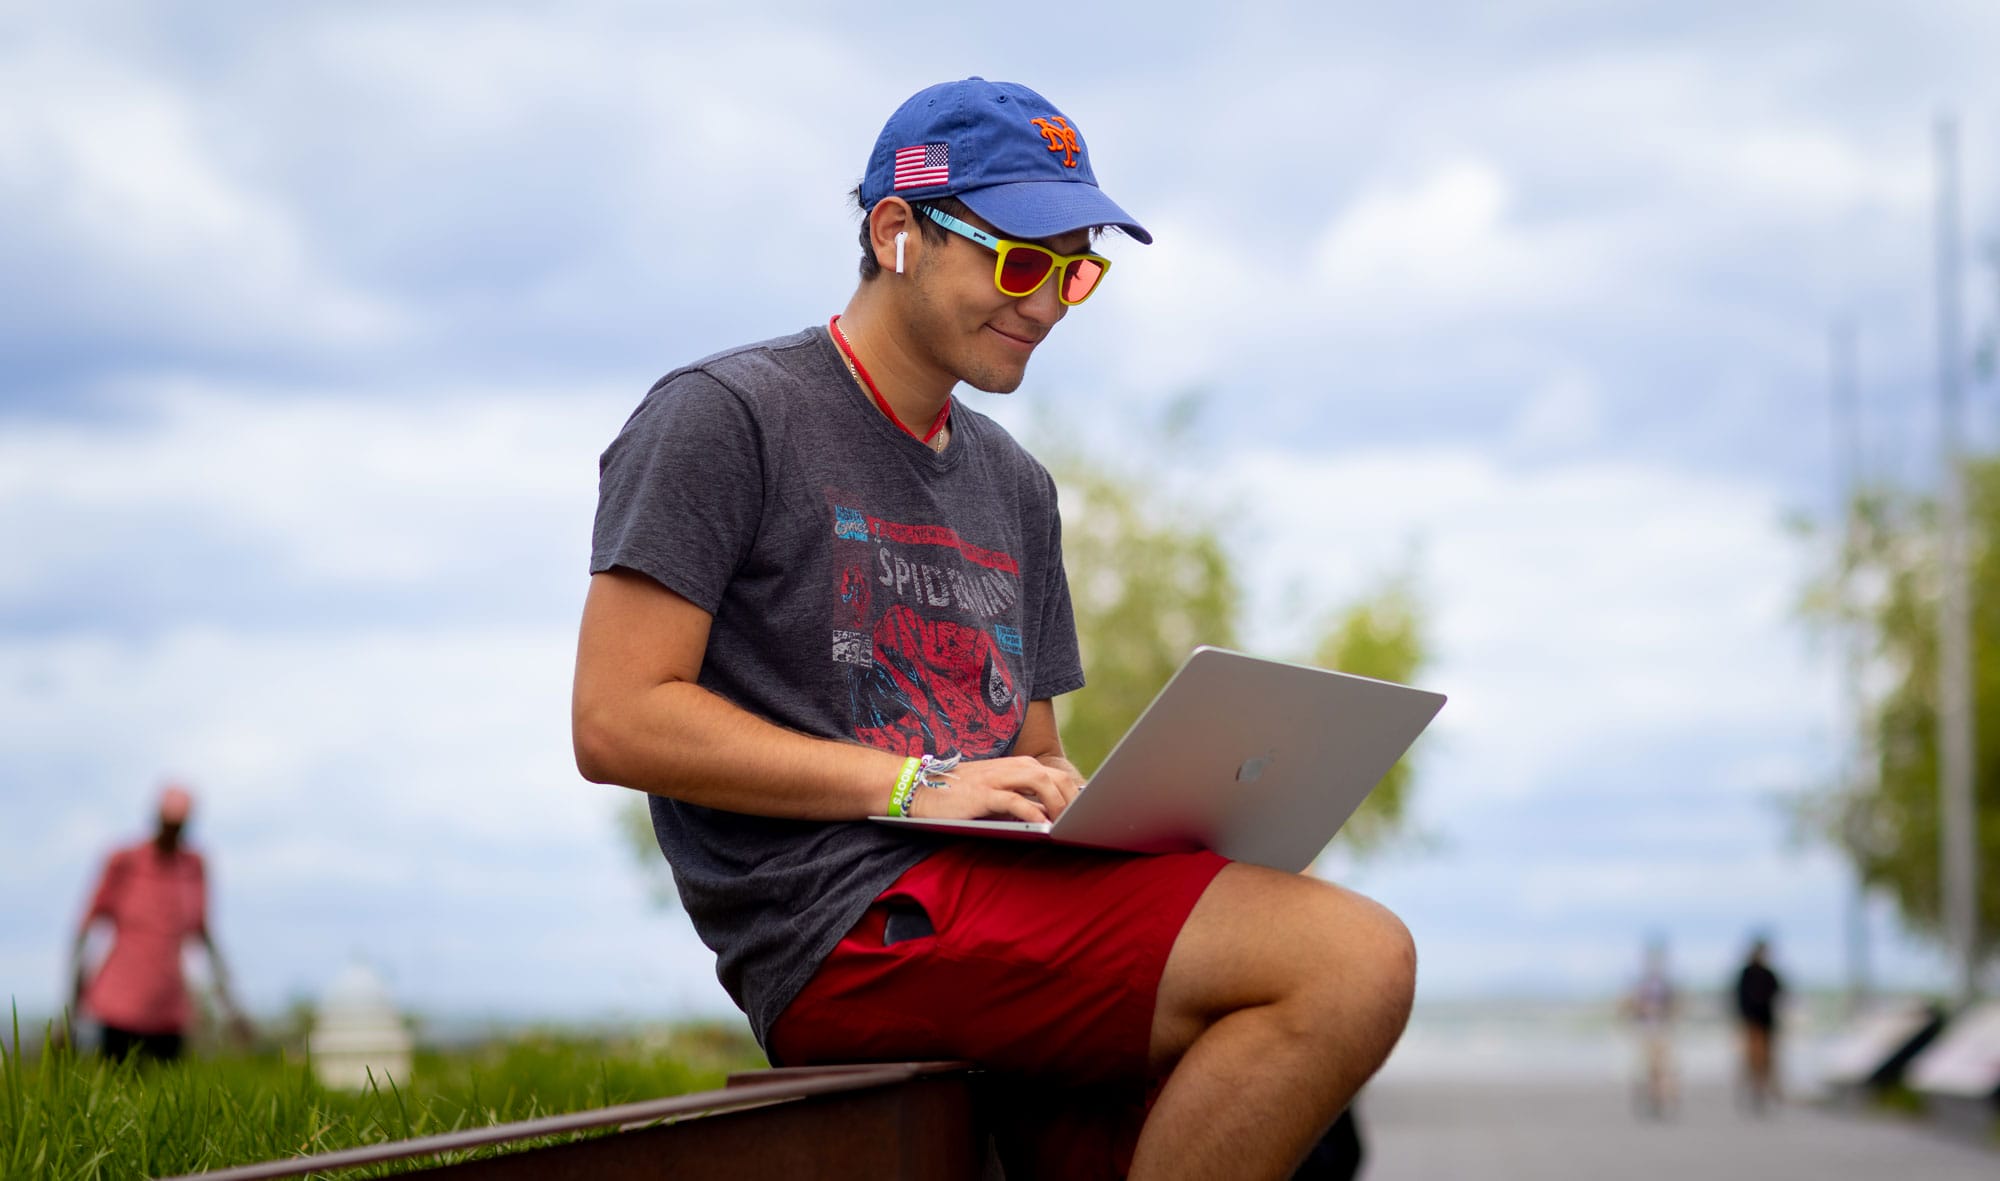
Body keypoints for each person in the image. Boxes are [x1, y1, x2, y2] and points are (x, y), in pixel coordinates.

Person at [572, 77, 1416, 1180]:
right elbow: (616, 719)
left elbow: (1027, 754)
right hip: (845, 924)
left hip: (995, 900)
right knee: (1349, 959)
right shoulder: (726, 416)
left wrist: (1109, 808)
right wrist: (912, 784)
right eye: (1020, 260)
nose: (1049, 301)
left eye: (1075, 270)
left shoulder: (1013, 486)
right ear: (897, 234)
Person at [70, 783, 247, 1062]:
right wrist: (71, 1007)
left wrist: (232, 1008)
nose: (172, 832)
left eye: (179, 825)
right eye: (168, 823)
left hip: (169, 1009)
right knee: (118, 1088)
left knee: (165, 1092)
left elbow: (205, 937)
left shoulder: (194, 867)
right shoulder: (124, 861)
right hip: (119, 1007)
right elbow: (84, 932)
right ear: (156, 819)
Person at [1620, 938, 1678, 1119]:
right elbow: (1630, 1006)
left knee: (1661, 1068)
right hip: (1645, 1030)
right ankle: (1648, 1097)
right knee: (1645, 1068)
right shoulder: (1641, 984)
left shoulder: (1665, 984)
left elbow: (1675, 1006)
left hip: (1661, 1029)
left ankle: (1659, 1099)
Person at [1733, 934, 1784, 1114]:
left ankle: (1765, 1089)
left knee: (1768, 1059)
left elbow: (1779, 994)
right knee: (1750, 1058)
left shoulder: (1769, 974)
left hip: (1766, 1022)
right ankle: (1751, 1088)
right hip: (1751, 1023)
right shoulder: (1746, 973)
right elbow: (1738, 998)